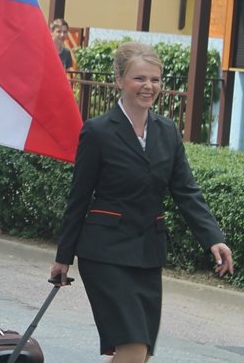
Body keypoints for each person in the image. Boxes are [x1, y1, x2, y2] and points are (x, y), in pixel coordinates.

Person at [50, 42, 234, 363]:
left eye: (155, 79)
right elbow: (78, 199)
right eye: (139, 78)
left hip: (148, 254)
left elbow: (186, 191)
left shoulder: (168, 133)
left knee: (141, 353)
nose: (148, 86)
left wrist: (213, 238)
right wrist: (63, 257)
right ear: (119, 80)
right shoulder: (97, 132)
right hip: (105, 254)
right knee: (133, 349)